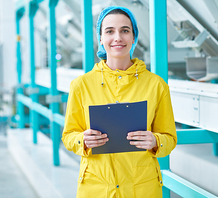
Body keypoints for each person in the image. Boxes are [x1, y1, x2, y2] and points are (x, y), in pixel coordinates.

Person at [62, 6, 177, 198]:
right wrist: (83, 139)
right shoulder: (81, 85)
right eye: (109, 31)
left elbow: (170, 138)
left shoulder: (156, 85)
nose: (118, 37)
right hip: (97, 187)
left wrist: (155, 141)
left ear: (133, 37)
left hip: (142, 188)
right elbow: (68, 136)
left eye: (125, 30)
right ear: (100, 38)